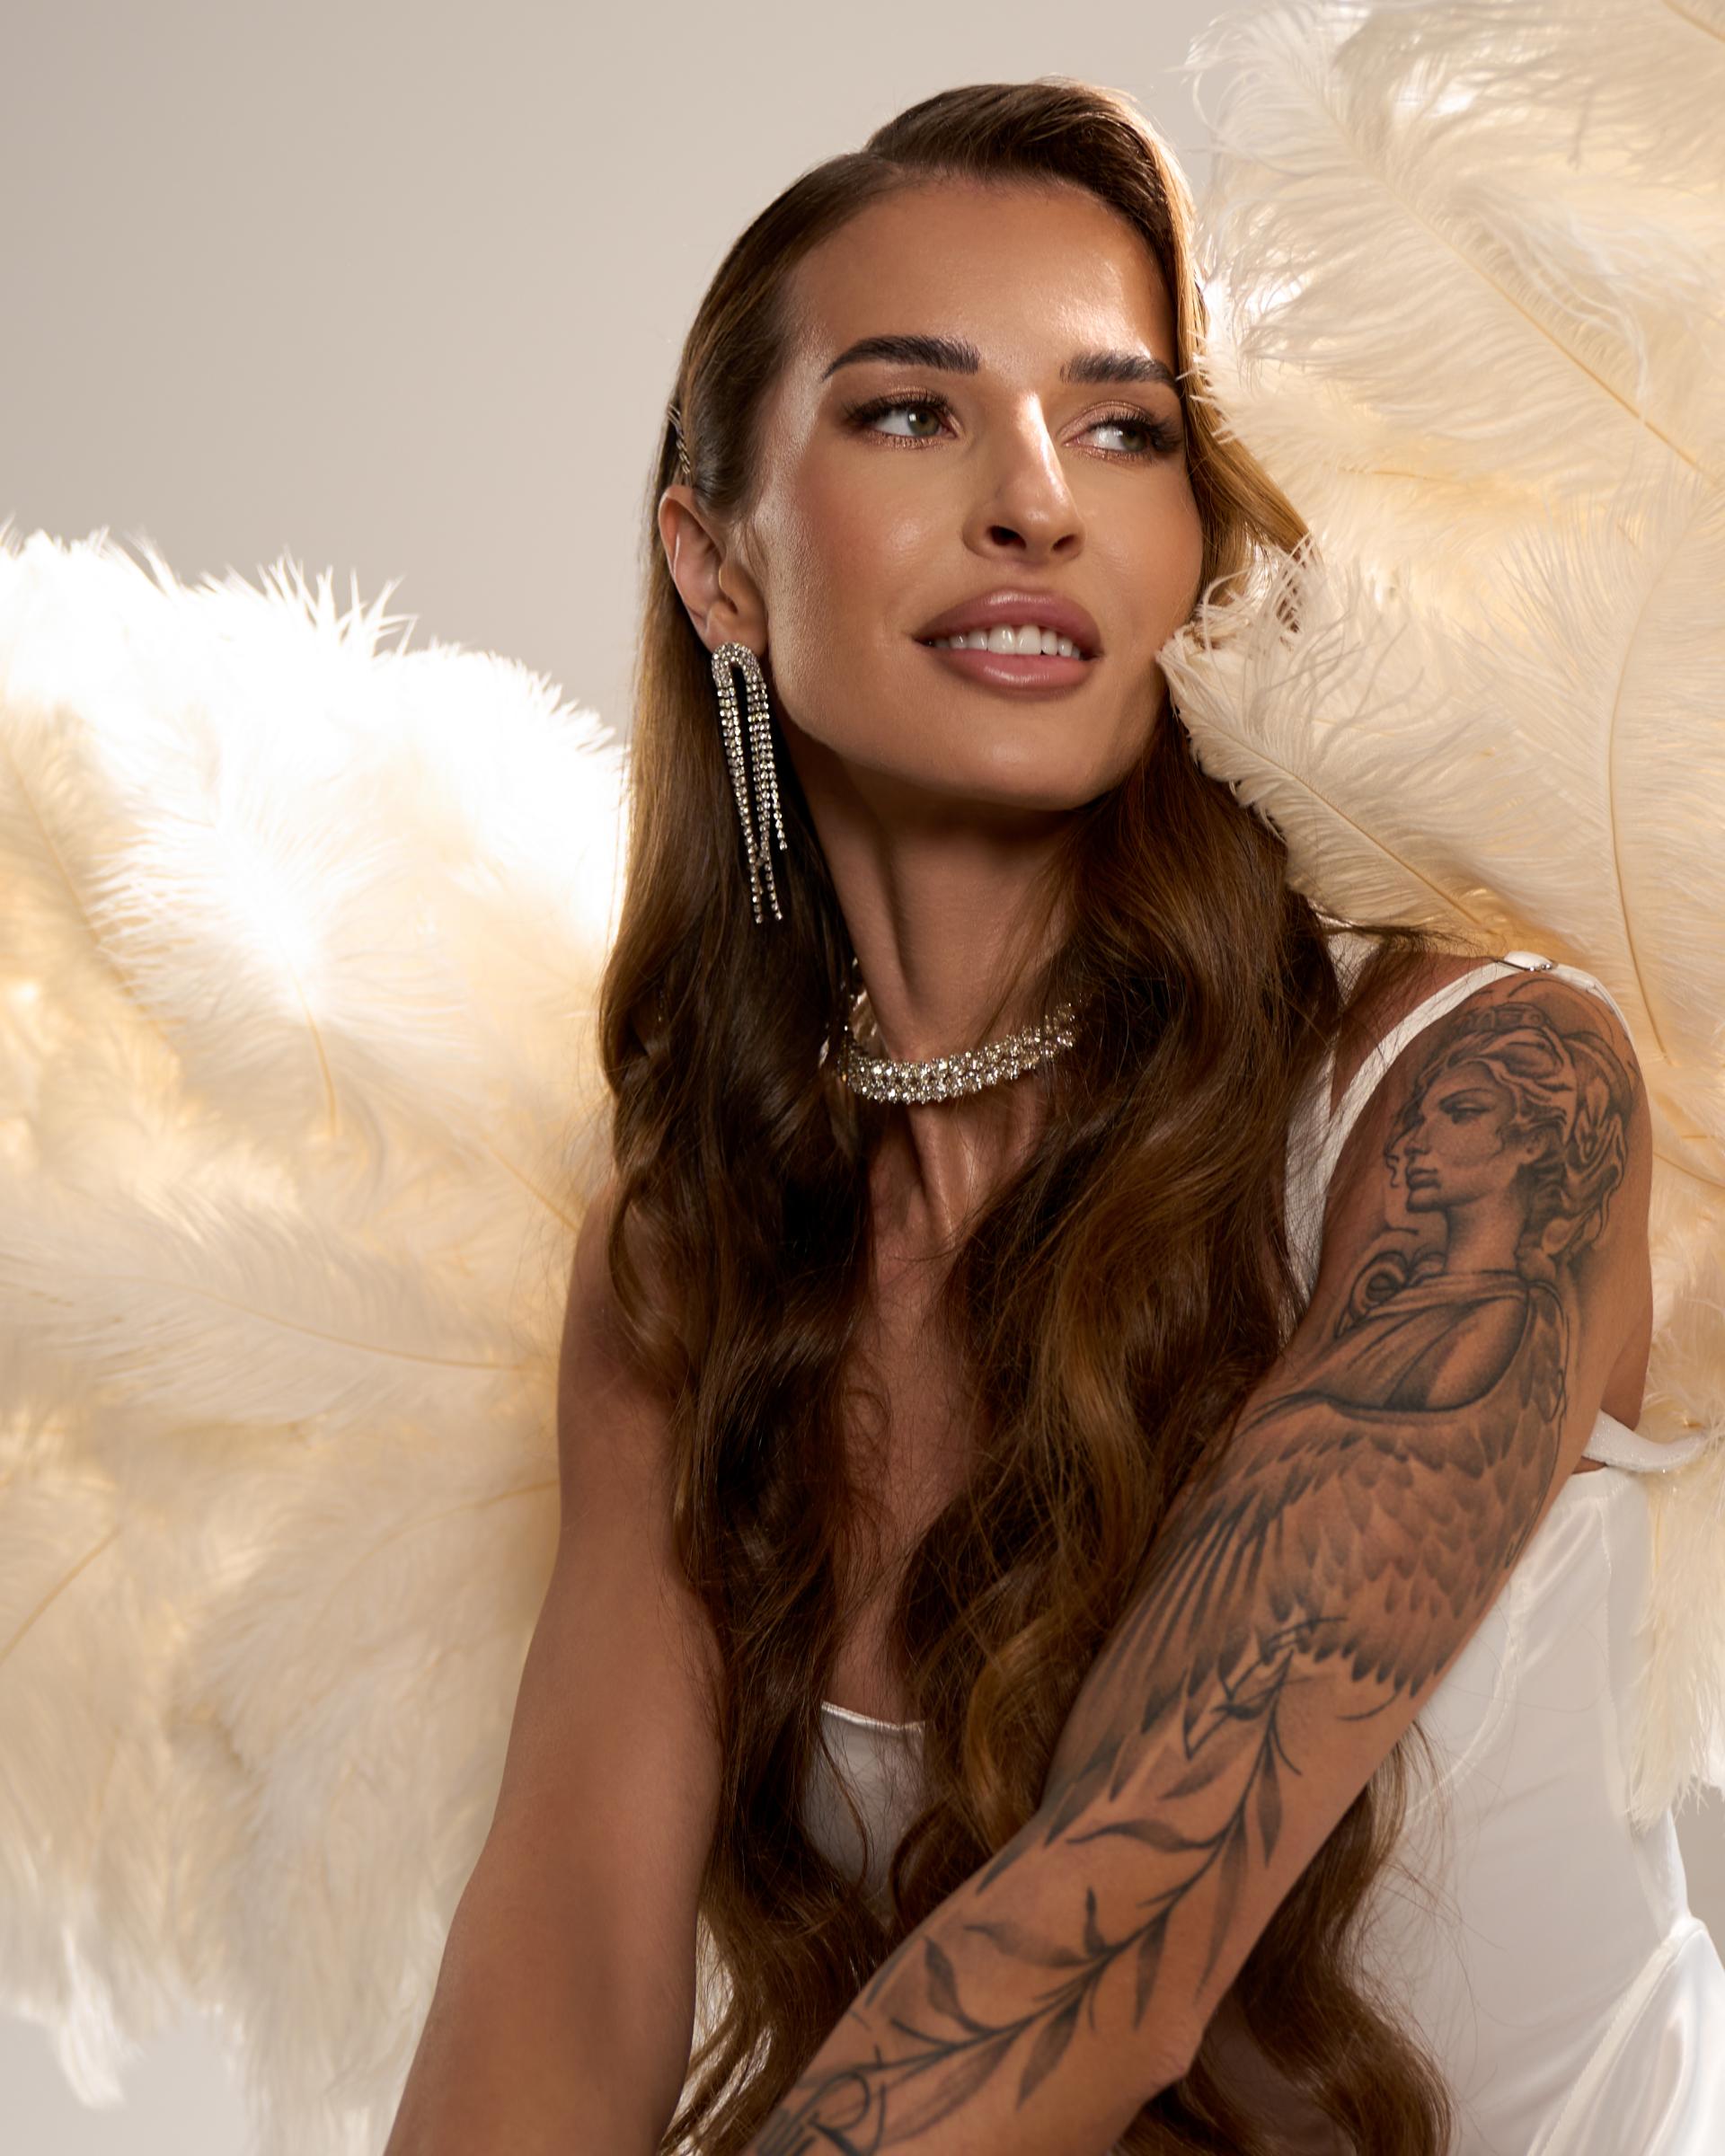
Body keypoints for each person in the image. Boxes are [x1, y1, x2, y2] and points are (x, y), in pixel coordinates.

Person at [384, 78, 1724, 2156]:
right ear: (716, 565)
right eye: (912, 412)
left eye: (1124, 428)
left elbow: (1121, 1916)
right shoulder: (692, 1263)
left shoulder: (1482, 1095)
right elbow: (562, 1982)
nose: (1035, 500)